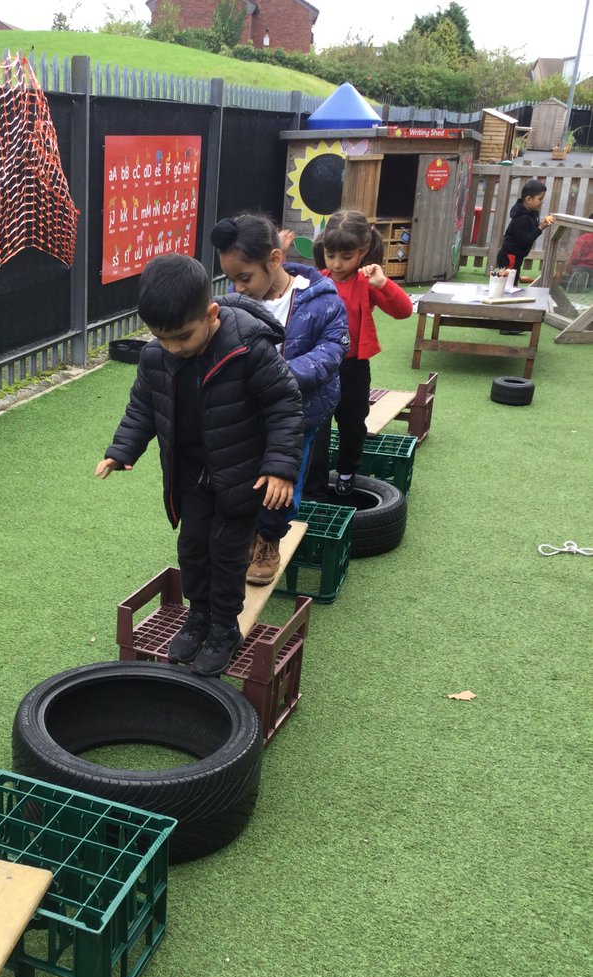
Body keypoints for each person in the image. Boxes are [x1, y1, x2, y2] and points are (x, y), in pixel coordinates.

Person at [95, 253, 304, 677]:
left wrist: (280, 467)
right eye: (161, 338)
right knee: (192, 549)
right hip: (190, 473)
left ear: (211, 314)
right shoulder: (158, 355)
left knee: (225, 555)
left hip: (240, 474)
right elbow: (143, 407)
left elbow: (284, 405)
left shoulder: (248, 347)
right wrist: (122, 450)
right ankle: (198, 616)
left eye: (182, 338)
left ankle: (226, 628)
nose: (173, 348)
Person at [209, 212, 349, 584]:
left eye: (245, 277)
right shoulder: (230, 306)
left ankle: (269, 538)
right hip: (246, 412)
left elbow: (332, 351)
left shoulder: (321, 299)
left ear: (274, 260)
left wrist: (278, 377)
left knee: (282, 479)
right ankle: (243, 533)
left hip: (298, 413)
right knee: (242, 476)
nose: (238, 287)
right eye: (231, 279)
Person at [312, 209, 413, 495]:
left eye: (346, 257)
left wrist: (383, 283)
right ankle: (314, 485)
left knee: (353, 422)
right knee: (317, 426)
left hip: (353, 366)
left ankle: (346, 473)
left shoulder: (366, 282)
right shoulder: (318, 280)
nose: (337, 264)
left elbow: (404, 310)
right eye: (331, 255)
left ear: (363, 251)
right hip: (319, 366)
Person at [495, 179, 555, 282]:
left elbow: (531, 229)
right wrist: (540, 228)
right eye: (540, 199)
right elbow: (524, 241)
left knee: (512, 280)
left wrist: (541, 223)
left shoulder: (530, 213)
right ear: (529, 199)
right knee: (508, 283)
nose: (542, 202)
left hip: (516, 256)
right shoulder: (521, 218)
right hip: (509, 256)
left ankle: (517, 280)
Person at [565, 214, 593, 288]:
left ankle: (580, 283)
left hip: (582, 267)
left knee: (566, 281)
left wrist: (570, 265)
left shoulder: (584, 238)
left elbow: (575, 255)